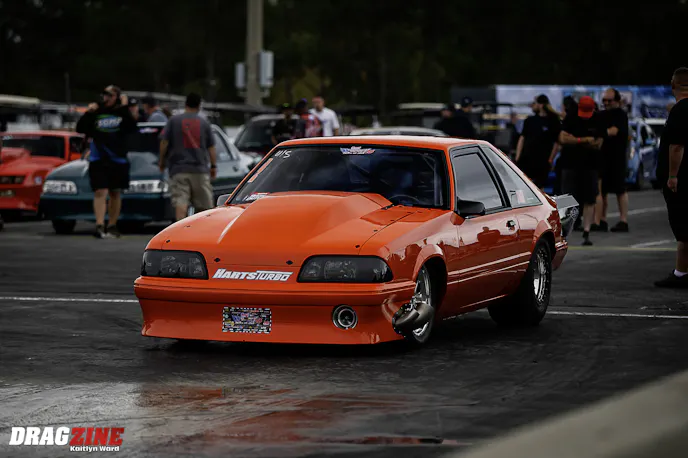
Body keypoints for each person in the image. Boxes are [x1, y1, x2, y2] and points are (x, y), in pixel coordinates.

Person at [76, 85, 137, 238]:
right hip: (99, 158)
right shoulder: (97, 111)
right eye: (104, 95)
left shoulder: (122, 112)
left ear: (117, 97)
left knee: (115, 192)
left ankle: (112, 224)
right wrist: (88, 112)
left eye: (110, 95)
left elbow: (132, 128)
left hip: (118, 158)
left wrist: (124, 107)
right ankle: (99, 224)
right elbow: (80, 128)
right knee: (100, 191)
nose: (106, 98)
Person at [159, 93, 217, 222]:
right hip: (199, 169)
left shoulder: (173, 121)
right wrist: (213, 166)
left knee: (180, 201)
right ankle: (203, 229)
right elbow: (211, 147)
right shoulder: (204, 122)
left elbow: (164, 143)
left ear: (186, 104)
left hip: (178, 168)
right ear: (199, 105)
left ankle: (181, 226)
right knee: (204, 205)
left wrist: (162, 161)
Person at [655, 67, 688, 288]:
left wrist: (672, 175)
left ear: (673, 84)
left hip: (683, 178)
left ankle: (681, 273)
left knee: (682, 226)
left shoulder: (680, 110)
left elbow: (676, 146)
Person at [558, 96, 606, 246]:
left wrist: (574, 139)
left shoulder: (598, 119)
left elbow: (598, 143)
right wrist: (584, 140)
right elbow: (562, 138)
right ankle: (563, 230)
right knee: (567, 197)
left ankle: (586, 230)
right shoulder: (571, 117)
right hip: (570, 164)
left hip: (590, 165)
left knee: (590, 198)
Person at [594, 88, 630, 233]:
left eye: (610, 100)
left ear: (617, 101)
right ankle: (602, 219)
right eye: (604, 100)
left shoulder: (621, 115)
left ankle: (623, 220)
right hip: (602, 157)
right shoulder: (601, 114)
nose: (607, 103)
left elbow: (613, 131)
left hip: (617, 158)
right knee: (602, 191)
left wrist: (599, 134)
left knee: (620, 190)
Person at [515, 95, 561, 190]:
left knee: (540, 188)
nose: (532, 105)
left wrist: (550, 159)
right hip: (526, 159)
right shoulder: (529, 120)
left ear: (541, 105)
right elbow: (522, 138)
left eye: (534, 103)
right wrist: (518, 157)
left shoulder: (553, 121)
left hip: (542, 161)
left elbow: (556, 143)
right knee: (524, 186)